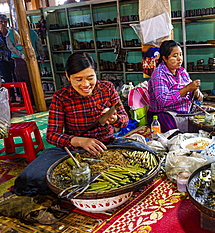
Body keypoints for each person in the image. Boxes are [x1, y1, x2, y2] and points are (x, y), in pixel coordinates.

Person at [13, 52, 151, 196]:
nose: (85, 84)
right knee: (29, 179)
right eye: (78, 79)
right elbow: (52, 136)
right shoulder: (61, 98)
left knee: (148, 157)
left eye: (90, 78)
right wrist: (79, 141)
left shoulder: (107, 89)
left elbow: (125, 119)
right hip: (72, 152)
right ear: (68, 76)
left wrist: (115, 119)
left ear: (96, 74)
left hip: (107, 145)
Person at [147, 40, 204, 132]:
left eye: (180, 55)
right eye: (175, 56)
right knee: (173, 128)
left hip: (184, 110)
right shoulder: (159, 74)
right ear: (165, 58)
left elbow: (193, 92)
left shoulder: (182, 71)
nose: (179, 59)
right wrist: (187, 89)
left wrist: (196, 92)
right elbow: (163, 100)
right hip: (163, 113)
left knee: (210, 116)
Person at [6, 26, 46, 105]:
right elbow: (39, 45)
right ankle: (37, 100)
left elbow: (10, 47)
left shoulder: (11, 34)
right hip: (32, 58)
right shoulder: (32, 33)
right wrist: (42, 56)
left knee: (23, 81)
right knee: (34, 80)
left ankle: (27, 100)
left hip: (20, 60)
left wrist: (21, 55)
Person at [0, 14, 15, 100]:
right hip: (2, 59)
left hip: (13, 58)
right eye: (1, 22)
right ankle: (11, 96)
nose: (3, 24)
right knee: (7, 78)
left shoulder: (11, 33)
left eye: (5, 22)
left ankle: (20, 96)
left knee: (16, 77)